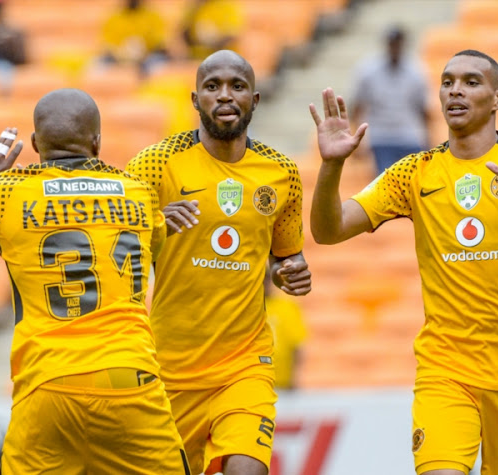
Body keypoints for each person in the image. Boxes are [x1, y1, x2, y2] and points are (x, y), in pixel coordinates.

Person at [309, 50, 498, 475]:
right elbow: (328, 230)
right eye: (447, 82)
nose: (455, 91)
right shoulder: (414, 172)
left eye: (470, 81)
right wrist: (332, 166)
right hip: (445, 373)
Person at [0, 89, 190, 474]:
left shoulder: (4, 192)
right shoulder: (139, 193)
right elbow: (154, 245)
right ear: (97, 141)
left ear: (35, 144)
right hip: (130, 381)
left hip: (48, 383)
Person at [126, 50, 312, 475]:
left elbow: (288, 256)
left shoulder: (281, 173)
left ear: (256, 99)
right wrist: (154, 225)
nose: (225, 96)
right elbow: (114, 246)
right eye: (213, 87)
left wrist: (293, 271)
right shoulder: (154, 165)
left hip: (244, 365)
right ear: (195, 100)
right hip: (169, 368)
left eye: (237, 86)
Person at [350, 26, 430, 175]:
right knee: (385, 184)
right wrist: (357, 140)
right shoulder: (368, 70)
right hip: (381, 136)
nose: (395, 48)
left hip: (409, 136)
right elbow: (358, 106)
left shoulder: (416, 71)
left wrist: (427, 139)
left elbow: (423, 110)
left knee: (413, 184)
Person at [99, 0, 170, 77]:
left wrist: (143, 51)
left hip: (147, 57)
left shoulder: (153, 16)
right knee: (100, 64)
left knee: (156, 63)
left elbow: (159, 42)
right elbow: (107, 43)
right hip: (119, 57)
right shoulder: (114, 18)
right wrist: (121, 53)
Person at [263, 265, 307, 390]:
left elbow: (297, 344)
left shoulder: (286, 307)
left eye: (266, 279)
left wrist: (295, 377)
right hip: (255, 378)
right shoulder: (248, 306)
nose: (263, 283)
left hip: (282, 381)